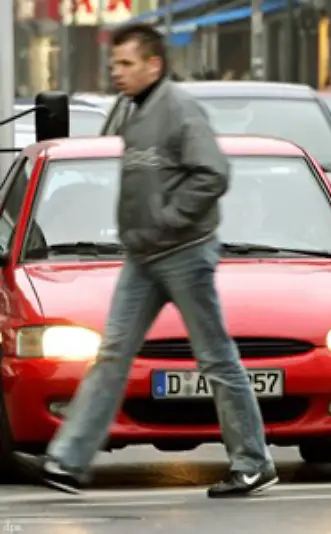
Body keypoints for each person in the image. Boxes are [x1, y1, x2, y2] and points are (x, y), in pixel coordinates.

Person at [14, 22, 278, 499]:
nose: (117, 72)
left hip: (184, 253)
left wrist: (169, 219)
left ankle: (253, 462)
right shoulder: (134, 112)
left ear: (153, 65)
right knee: (112, 354)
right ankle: (68, 461)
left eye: (127, 64)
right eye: (114, 64)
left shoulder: (179, 108)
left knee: (215, 357)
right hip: (143, 256)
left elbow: (213, 173)